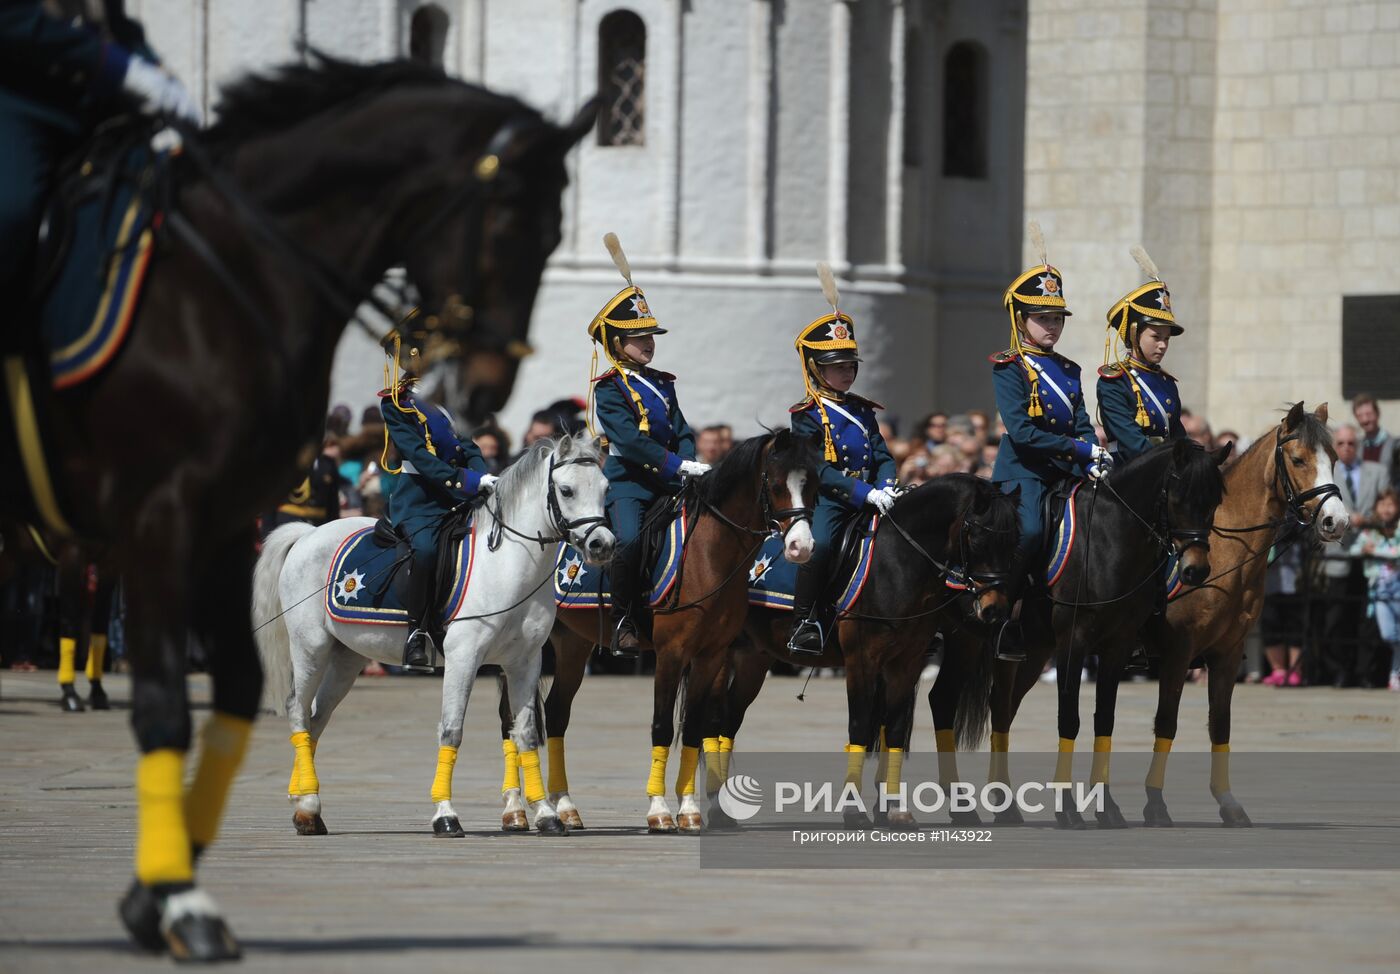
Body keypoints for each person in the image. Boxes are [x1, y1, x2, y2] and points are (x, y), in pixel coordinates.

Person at [1, 1, 201, 332]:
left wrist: (153, 71)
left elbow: (108, 16)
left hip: (91, 92)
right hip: (17, 94)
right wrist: (118, 68)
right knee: (8, 213)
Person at [989, 223, 1106, 661]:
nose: (1052, 326)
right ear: (1021, 320)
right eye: (1043, 318)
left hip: (1069, 470)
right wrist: (1080, 449)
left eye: (1056, 318)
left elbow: (1078, 420)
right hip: (1026, 473)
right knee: (1033, 530)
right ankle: (1008, 618)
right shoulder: (1008, 366)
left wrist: (1091, 455)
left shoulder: (1069, 369)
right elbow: (1022, 432)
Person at [589, 234, 707, 655]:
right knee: (631, 541)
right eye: (640, 337)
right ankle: (624, 617)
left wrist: (691, 462)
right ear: (618, 343)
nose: (649, 342)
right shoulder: (608, 388)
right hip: (629, 483)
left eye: (651, 336)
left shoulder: (662, 384)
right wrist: (677, 465)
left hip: (674, 480)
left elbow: (682, 428)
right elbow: (628, 441)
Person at [787, 263, 897, 655]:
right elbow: (817, 468)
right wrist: (864, 493)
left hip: (872, 494)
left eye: (850, 365)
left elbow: (881, 454)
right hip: (832, 499)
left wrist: (885, 486)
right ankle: (805, 620)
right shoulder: (807, 414)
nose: (847, 372)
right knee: (823, 545)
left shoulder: (862, 410)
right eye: (837, 366)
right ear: (817, 368)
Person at [380, 351, 496, 672]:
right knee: (427, 550)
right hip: (420, 500)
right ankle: (417, 631)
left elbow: (468, 446)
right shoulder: (397, 403)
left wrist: (483, 477)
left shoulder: (449, 399)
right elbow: (419, 456)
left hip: (458, 496)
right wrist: (467, 481)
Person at [1097, 247, 1187, 462]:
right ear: (1135, 333)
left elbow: (1178, 436)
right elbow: (1130, 440)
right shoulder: (1114, 382)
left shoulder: (1166, 382)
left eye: (1166, 338)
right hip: (1129, 473)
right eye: (1156, 337)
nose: (1163, 345)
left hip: (1165, 473)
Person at [1320, 424, 1387, 686]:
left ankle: (1366, 673)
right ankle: (1339, 671)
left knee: (1367, 617)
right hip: (1340, 551)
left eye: (1351, 443)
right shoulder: (1328, 473)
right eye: (1341, 443)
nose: (1346, 448)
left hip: (1371, 552)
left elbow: (1388, 506)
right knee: (1337, 616)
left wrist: (1366, 519)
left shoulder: (1377, 472)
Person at [1351, 489, 1400, 691]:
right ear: (1376, 508)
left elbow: (1397, 552)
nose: (1386, 509)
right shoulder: (1369, 530)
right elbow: (1354, 550)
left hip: (1398, 587)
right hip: (1378, 589)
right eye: (1382, 504)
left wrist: (1374, 551)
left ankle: (1394, 674)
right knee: (1389, 634)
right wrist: (1364, 549)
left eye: (1391, 504)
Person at [1353, 393, 1397, 489]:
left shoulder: (1395, 445)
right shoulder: (1357, 447)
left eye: (1368, 414)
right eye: (1360, 416)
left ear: (1377, 414)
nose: (1365, 420)